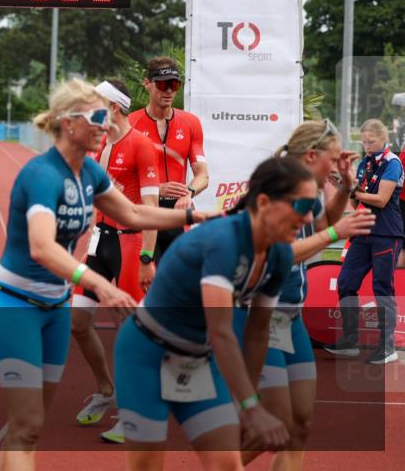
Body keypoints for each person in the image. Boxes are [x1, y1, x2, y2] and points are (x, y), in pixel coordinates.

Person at [0, 79, 217, 470]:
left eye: (106, 116)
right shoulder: (42, 175)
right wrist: (98, 284)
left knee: (32, 428)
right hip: (15, 305)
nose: (104, 125)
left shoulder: (89, 170)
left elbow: (134, 213)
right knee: (24, 425)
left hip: (54, 308)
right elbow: (42, 246)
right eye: (95, 116)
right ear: (66, 122)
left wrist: (194, 214)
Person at [114, 157, 320, 470]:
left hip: (196, 359)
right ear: (264, 202)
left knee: (226, 465)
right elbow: (221, 331)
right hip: (146, 354)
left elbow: (257, 331)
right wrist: (251, 407)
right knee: (146, 466)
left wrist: (248, 398)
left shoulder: (278, 254)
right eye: (302, 205)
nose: (308, 217)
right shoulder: (224, 241)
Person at [237, 120, 374, 470]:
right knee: (277, 425)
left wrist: (344, 186)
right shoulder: (281, 187)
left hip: (290, 317)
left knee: (300, 424)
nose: (336, 162)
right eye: (332, 158)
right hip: (262, 316)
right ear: (312, 155)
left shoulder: (308, 187)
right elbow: (279, 252)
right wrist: (334, 233)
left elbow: (323, 220)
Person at [70, 80, 158, 444]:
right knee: (77, 321)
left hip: (129, 243)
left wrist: (146, 258)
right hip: (98, 243)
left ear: (115, 107)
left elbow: (150, 209)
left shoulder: (141, 144)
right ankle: (107, 389)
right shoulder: (97, 142)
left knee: (130, 334)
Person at [326, 119, 404, 364]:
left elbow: (380, 200)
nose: (367, 146)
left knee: (382, 287)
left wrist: (349, 189)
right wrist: (344, 188)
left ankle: (387, 347)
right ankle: (350, 340)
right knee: (346, 281)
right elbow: (358, 202)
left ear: (383, 138)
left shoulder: (393, 162)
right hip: (364, 230)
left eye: (371, 142)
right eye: (364, 141)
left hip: (386, 233)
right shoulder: (365, 162)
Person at [130, 57, 209, 264]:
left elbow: (203, 175)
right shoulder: (131, 124)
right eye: (163, 84)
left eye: (174, 85)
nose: (169, 91)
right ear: (147, 84)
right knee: (143, 284)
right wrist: (155, 188)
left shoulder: (190, 123)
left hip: (176, 217)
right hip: (145, 215)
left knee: (174, 286)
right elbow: (119, 178)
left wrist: (189, 192)